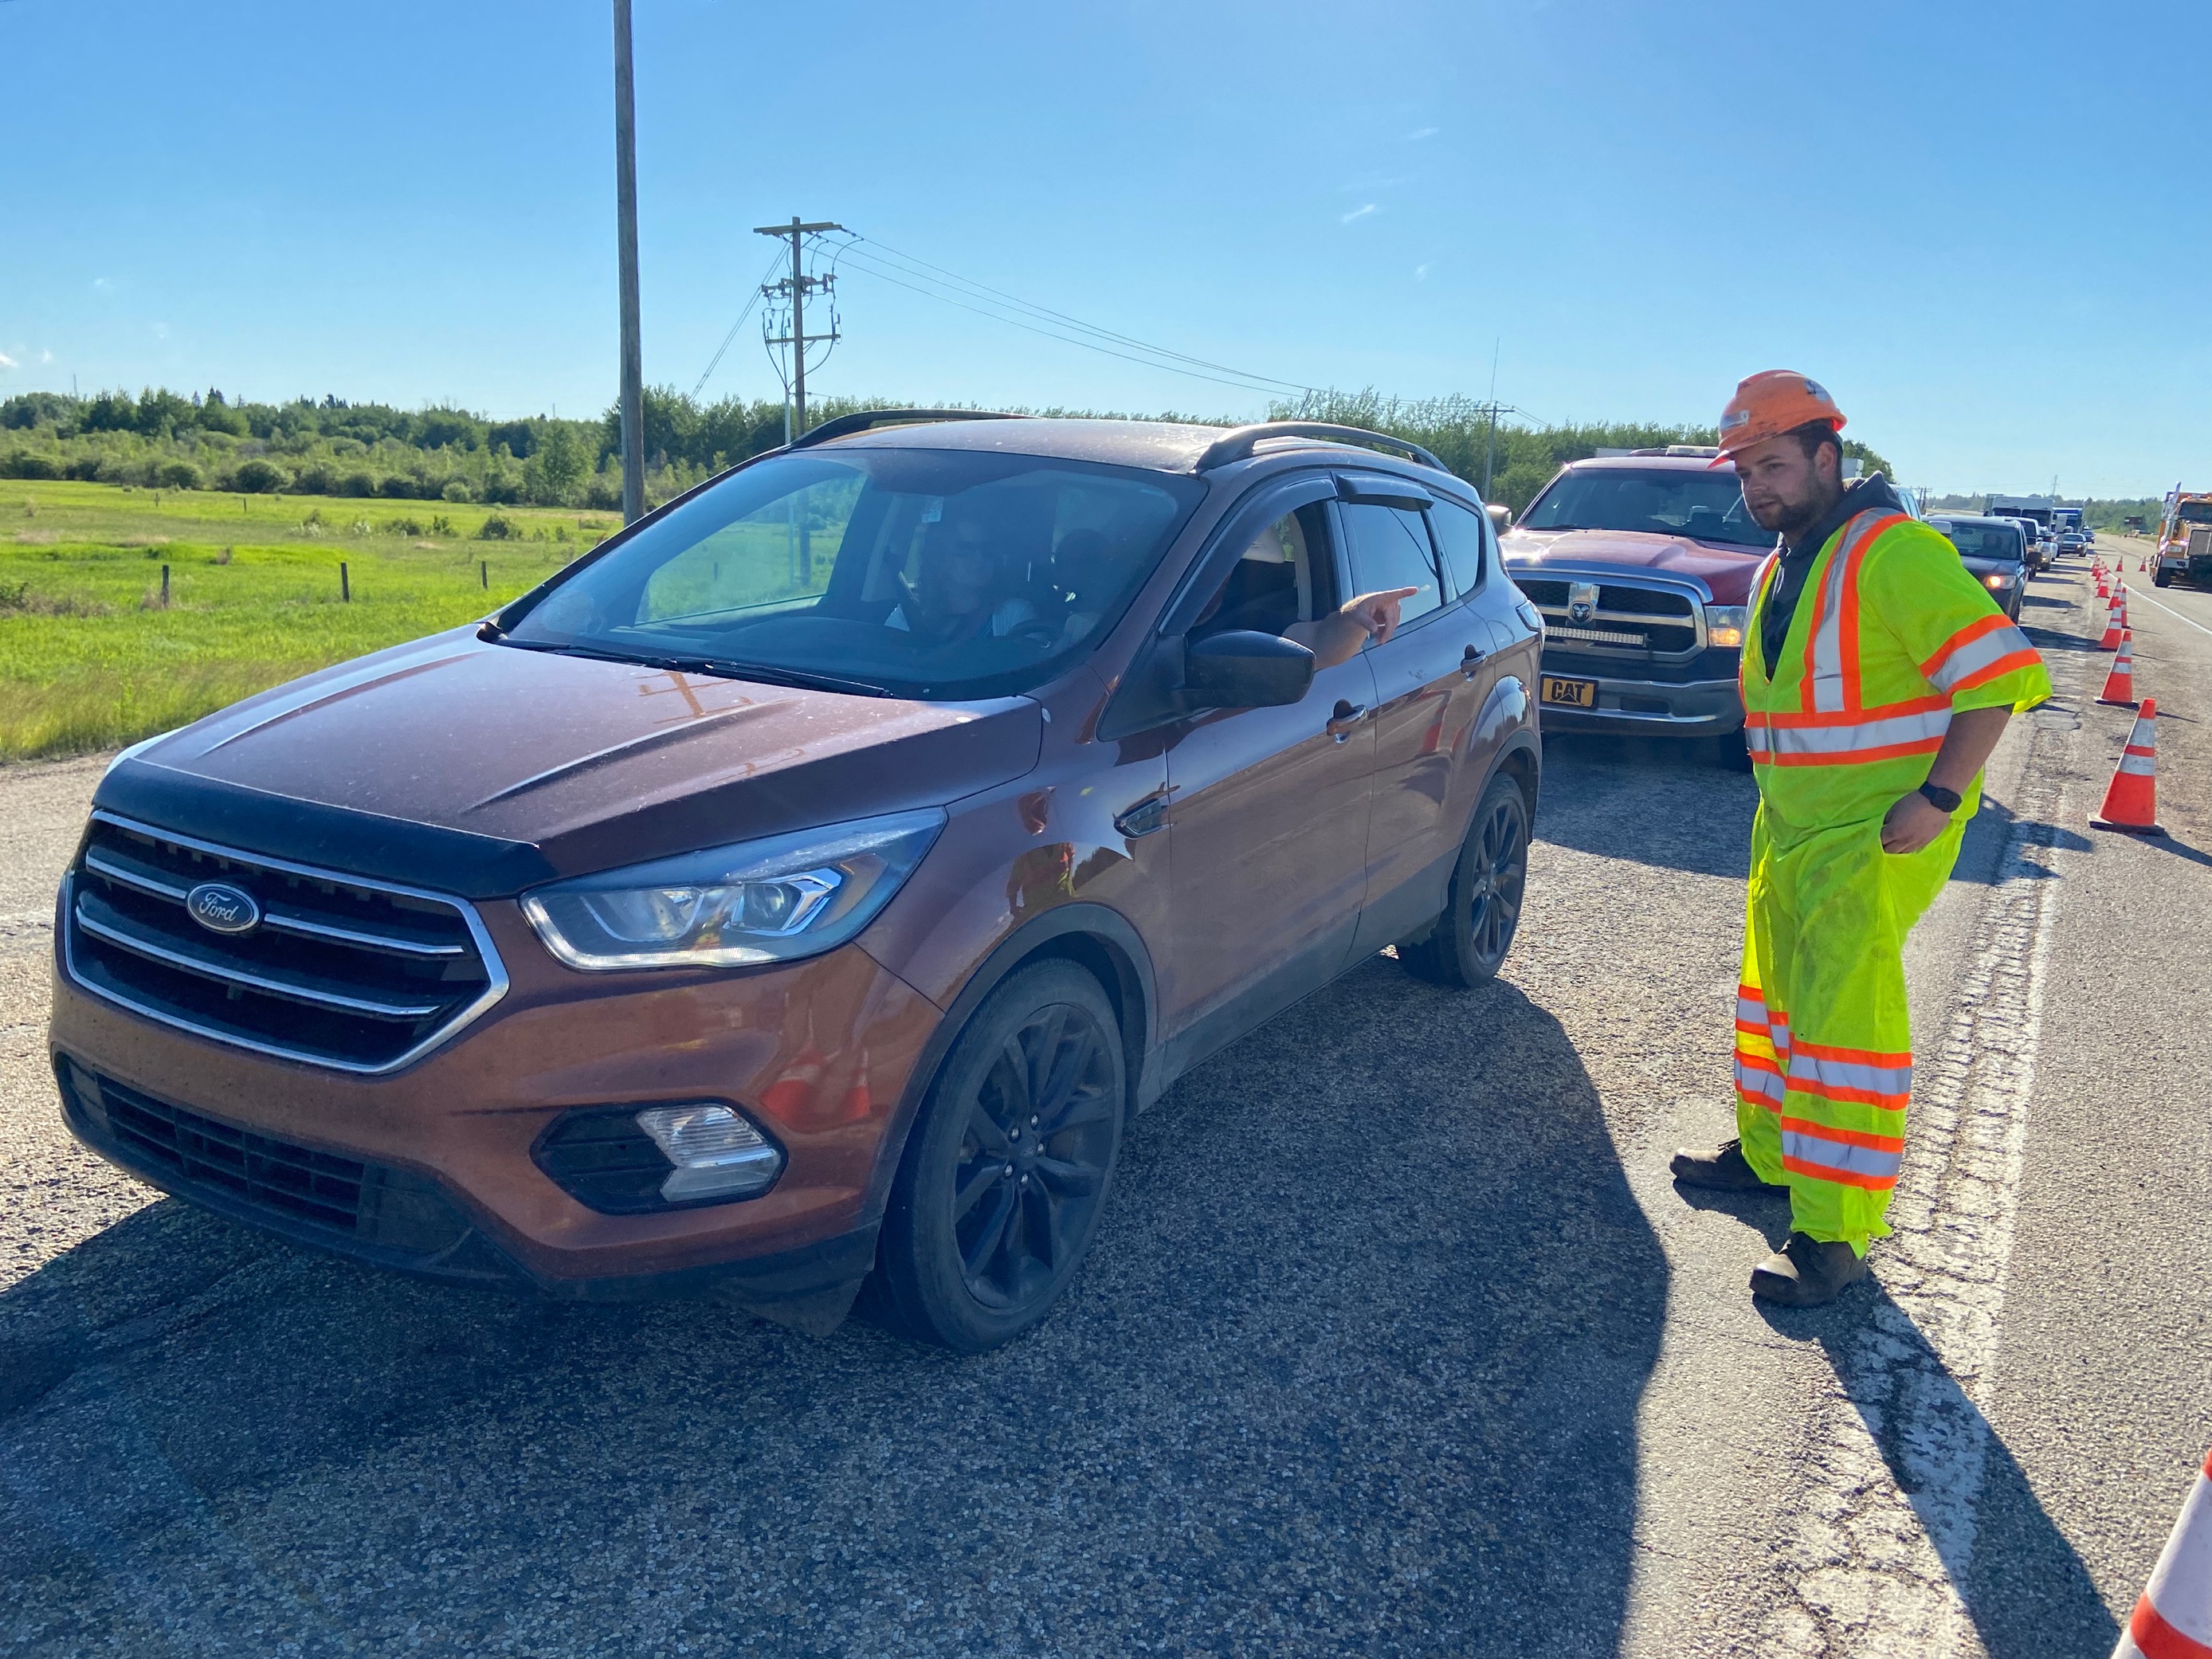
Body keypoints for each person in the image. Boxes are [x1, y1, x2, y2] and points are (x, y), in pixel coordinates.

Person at [1670, 372, 2051, 1307]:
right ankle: (1769, 1158)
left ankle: (1834, 1235)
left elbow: (1997, 678)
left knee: (1841, 1030)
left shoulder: (1891, 552)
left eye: (1771, 465)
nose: (1755, 487)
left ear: (1825, 457)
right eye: (1744, 472)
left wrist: (1940, 796)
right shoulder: (1785, 562)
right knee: (1775, 1003)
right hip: (1790, 826)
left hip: (1872, 832)